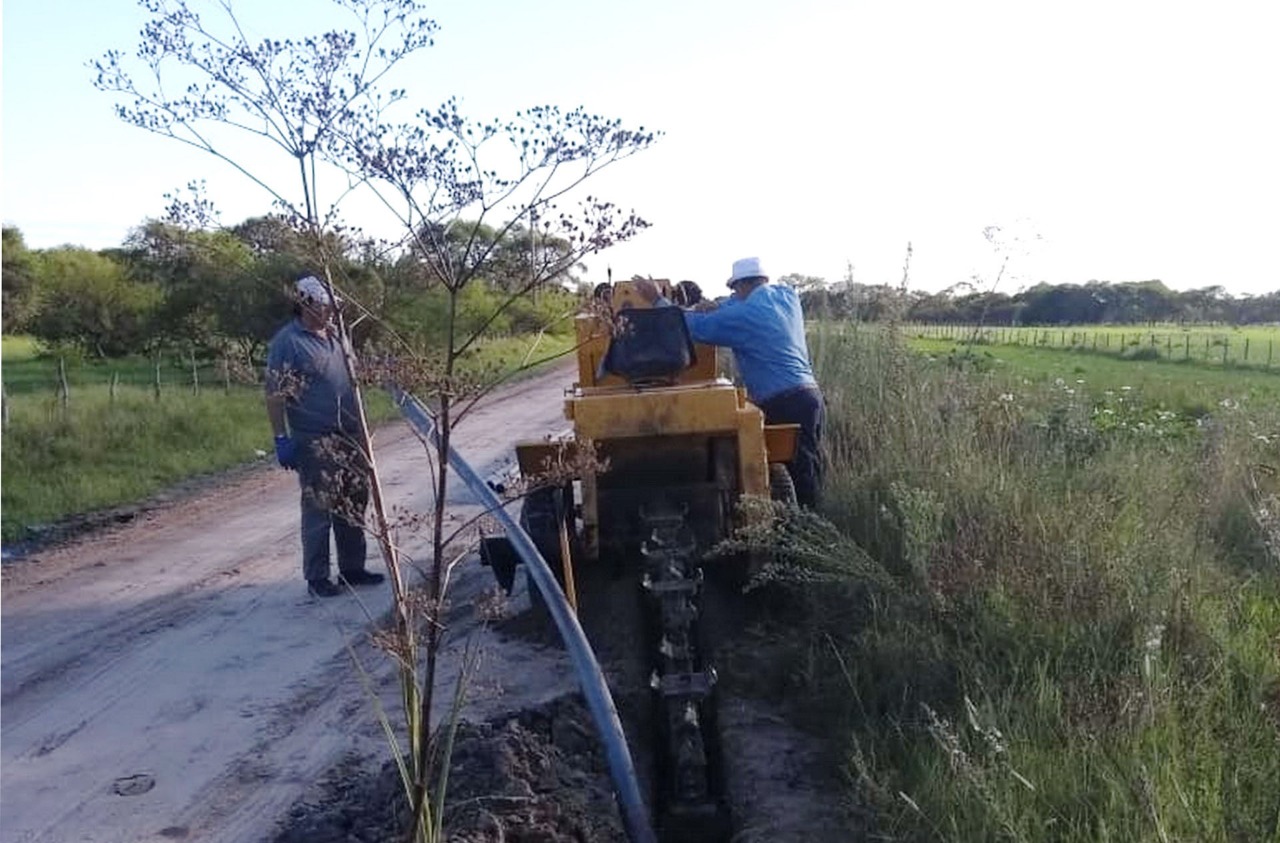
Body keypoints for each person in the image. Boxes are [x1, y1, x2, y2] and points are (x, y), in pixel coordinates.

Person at [636, 257, 824, 508]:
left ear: (741, 285)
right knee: (810, 468)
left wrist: (658, 301)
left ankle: (806, 533)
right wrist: (718, 305)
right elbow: (736, 305)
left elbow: (692, 326)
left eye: (734, 290)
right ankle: (813, 527)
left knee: (799, 475)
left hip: (783, 403)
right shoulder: (787, 296)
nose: (734, 295)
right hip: (810, 398)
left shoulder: (746, 315)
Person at [265, 274, 384, 598]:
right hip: (315, 438)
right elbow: (275, 395)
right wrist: (281, 438)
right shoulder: (287, 342)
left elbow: (355, 380)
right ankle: (317, 576)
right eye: (323, 306)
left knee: (354, 502)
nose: (329, 312)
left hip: (351, 434)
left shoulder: (336, 335)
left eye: (332, 307)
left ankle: (352, 569)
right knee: (320, 506)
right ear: (304, 303)